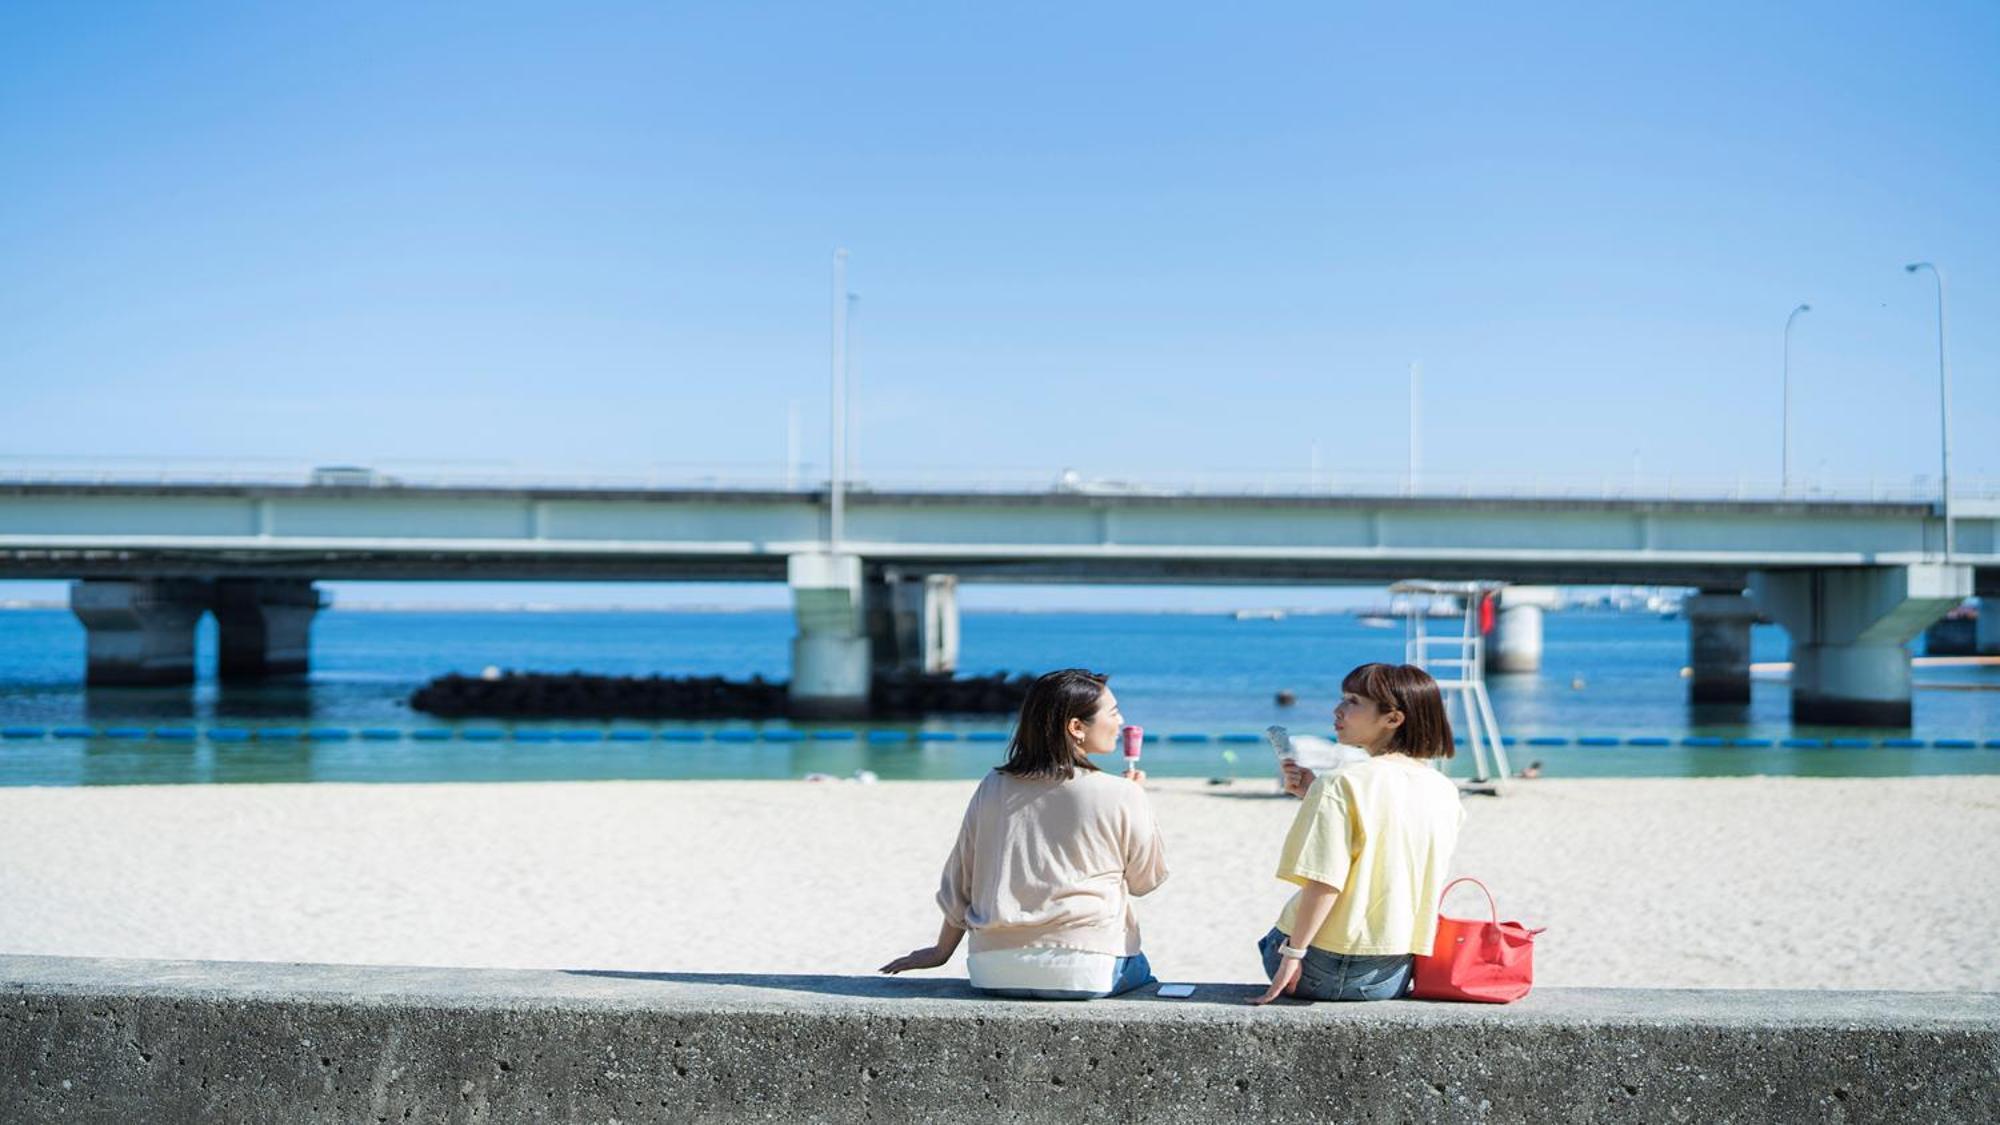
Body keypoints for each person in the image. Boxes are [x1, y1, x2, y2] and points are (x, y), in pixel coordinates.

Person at [880, 668, 1167, 999]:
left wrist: (940, 952)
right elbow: (1146, 880)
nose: (1121, 722)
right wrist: (1137, 802)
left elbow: (963, 881)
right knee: (1145, 977)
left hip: (992, 968)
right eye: (1114, 713)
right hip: (1086, 967)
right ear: (1076, 727)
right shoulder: (1121, 793)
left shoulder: (993, 785)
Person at [1251, 662, 1464, 1004]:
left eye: (1353, 701)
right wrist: (1315, 793)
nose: (1337, 710)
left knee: (1273, 938)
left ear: (1393, 719)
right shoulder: (1443, 790)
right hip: (1391, 974)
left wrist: (1294, 953)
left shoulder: (1342, 782)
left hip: (1317, 970)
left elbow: (1325, 880)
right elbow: (1390, 833)